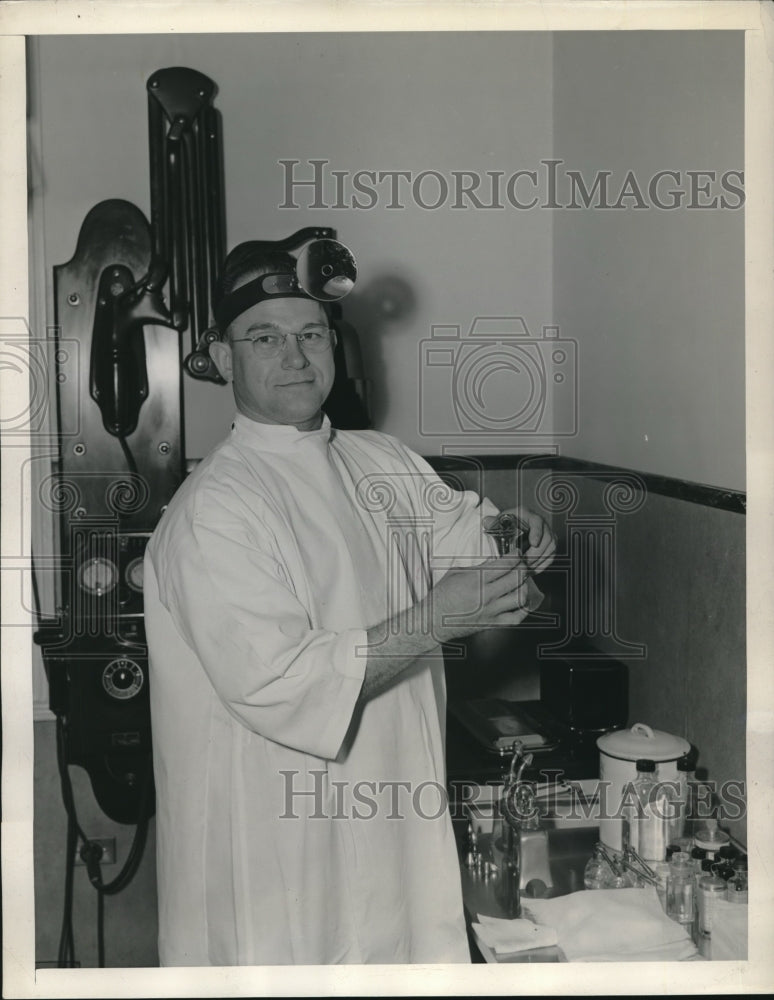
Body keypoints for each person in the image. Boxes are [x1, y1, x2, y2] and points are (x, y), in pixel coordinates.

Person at [143, 241, 556, 966]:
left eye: (310, 333)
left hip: (396, 828)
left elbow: (473, 544)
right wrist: (439, 617)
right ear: (223, 358)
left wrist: (513, 538)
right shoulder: (215, 510)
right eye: (265, 338)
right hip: (276, 855)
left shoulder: (381, 461)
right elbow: (279, 681)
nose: (295, 357)